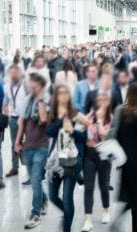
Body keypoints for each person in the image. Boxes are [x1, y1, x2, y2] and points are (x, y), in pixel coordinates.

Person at [110, 83, 137, 232]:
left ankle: (119, 218)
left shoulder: (122, 113)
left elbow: (117, 136)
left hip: (125, 161)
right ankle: (135, 230)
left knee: (129, 195)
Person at [45, 85, 87, 232]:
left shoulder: (77, 114)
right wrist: (59, 119)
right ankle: (68, 215)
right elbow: (49, 132)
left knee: (67, 198)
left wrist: (72, 131)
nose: (63, 96)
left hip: (73, 161)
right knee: (52, 196)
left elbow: (84, 137)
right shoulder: (53, 114)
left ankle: (67, 228)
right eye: (60, 94)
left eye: (65, 93)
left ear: (69, 97)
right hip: (56, 161)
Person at [14, 73, 50, 229]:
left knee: (35, 180)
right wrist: (17, 142)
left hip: (42, 146)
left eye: (32, 84)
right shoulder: (26, 101)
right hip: (28, 146)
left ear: (40, 86)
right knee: (35, 180)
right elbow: (22, 122)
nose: (29, 86)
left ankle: (35, 214)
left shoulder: (48, 100)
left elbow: (43, 120)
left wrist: (40, 99)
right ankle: (44, 200)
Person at [81, 93, 113, 232]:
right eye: (98, 100)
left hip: (104, 154)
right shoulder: (89, 115)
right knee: (88, 187)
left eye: (103, 100)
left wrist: (99, 120)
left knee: (103, 186)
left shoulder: (110, 118)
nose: (100, 103)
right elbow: (80, 131)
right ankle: (88, 219)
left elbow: (104, 136)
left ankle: (106, 210)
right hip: (89, 154)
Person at [3, 65, 28, 178]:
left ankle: (30, 170)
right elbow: (5, 101)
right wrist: (5, 107)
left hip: (26, 119)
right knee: (14, 143)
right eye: (11, 73)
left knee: (29, 142)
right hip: (13, 118)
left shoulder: (26, 85)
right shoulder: (7, 86)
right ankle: (15, 167)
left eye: (15, 73)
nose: (13, 75)